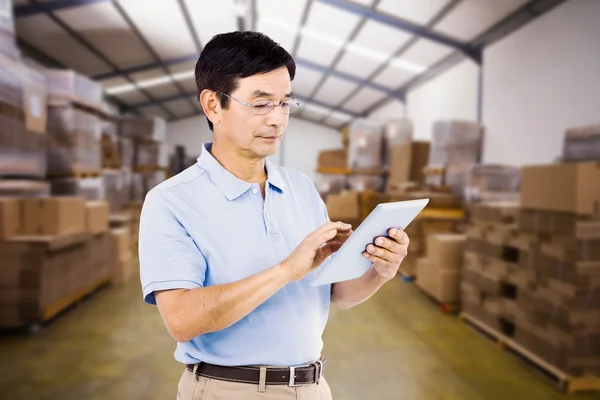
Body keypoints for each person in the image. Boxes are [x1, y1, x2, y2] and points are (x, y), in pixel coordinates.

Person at [138, 31, 410, 400]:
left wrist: (380, 270)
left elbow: (338, 295)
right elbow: (182, 320)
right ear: (213, 105)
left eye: (285, 103)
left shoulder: (301, 189)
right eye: (261, 104)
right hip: (227, 390)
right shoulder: (171, 201)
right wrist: (286, 270)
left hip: (312, 387)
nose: (277, 120)